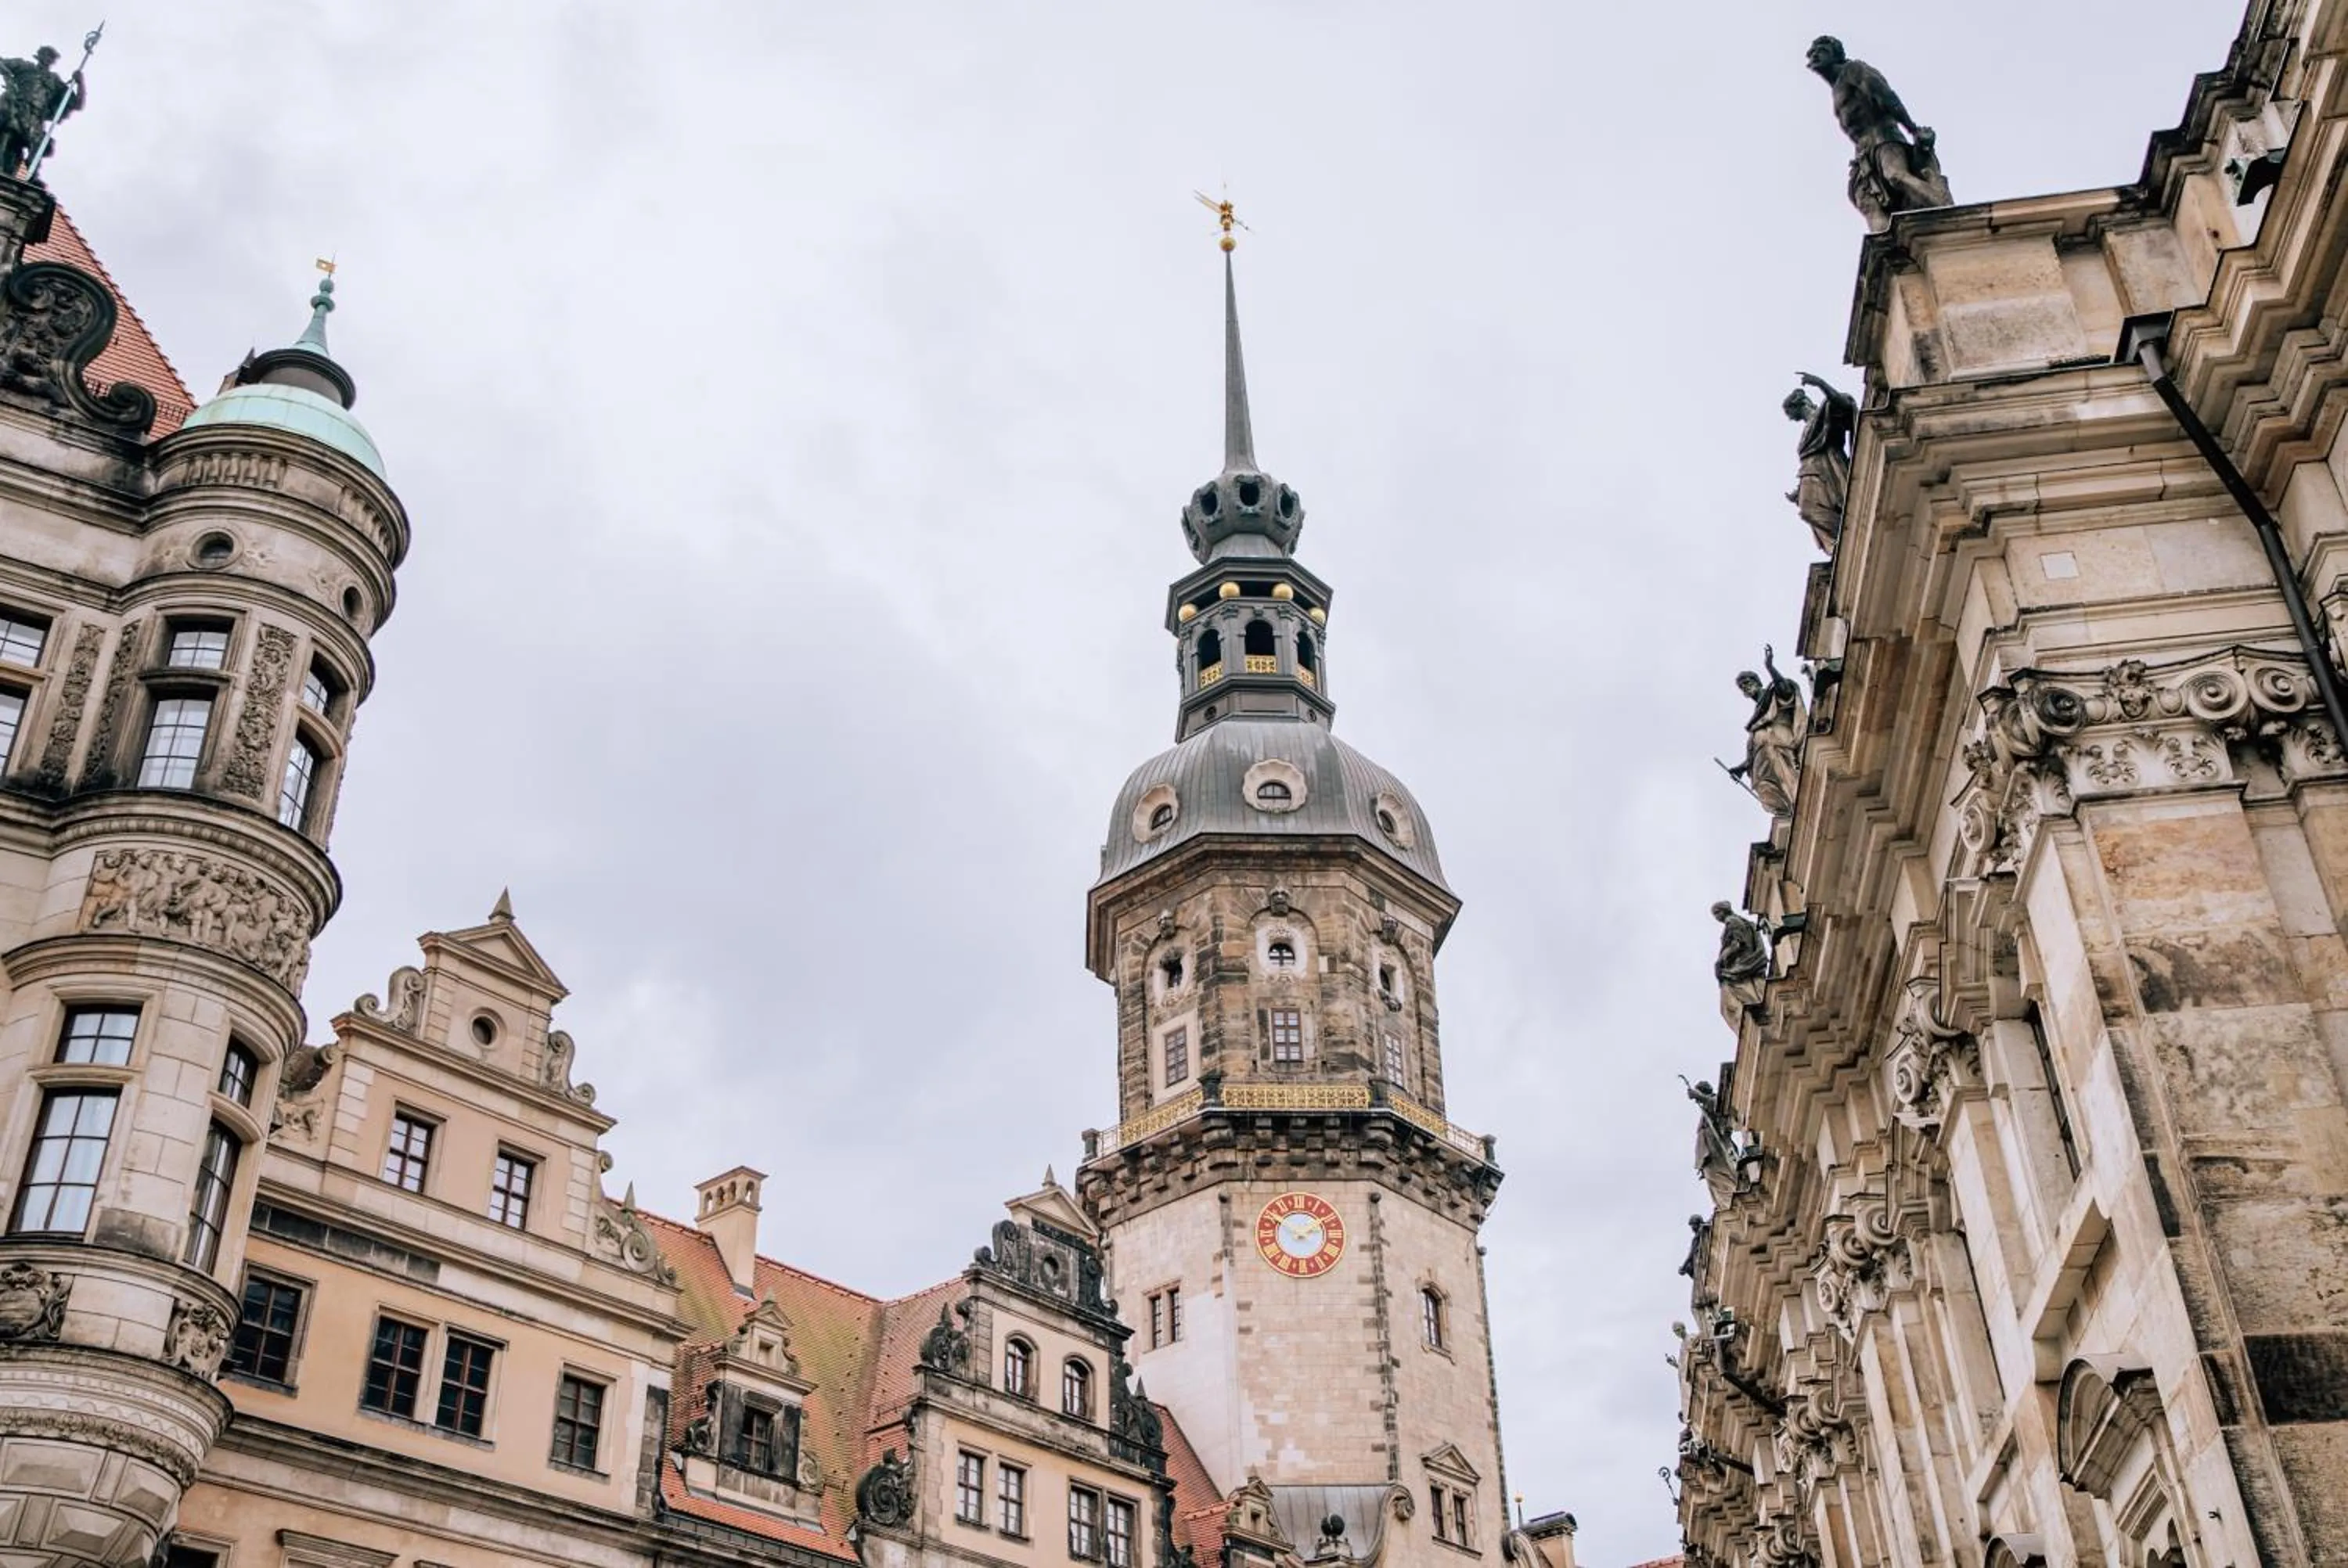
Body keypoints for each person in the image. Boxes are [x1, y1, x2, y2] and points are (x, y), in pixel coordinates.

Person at [1806, 36, 1952, 229]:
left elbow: (1885, 96)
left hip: (1885, 139)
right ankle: (1888, 251)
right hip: (1863, 155)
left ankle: (1943, 205)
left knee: (1895, 175)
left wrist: (1913, 129)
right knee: (1867, 202)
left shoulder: (1853, 70)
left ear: (1836, 55)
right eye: (1812, 52)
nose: (1815, 55)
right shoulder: (1836, 89)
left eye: (1821, 50)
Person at [1728, 646, 1806, 818]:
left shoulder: (1771, 694)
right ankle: (1787, 810)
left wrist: (1770, 667)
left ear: (1758, 682)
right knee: (1764, 787)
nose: (1746, 688)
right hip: (1762, 760)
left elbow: (1785, 690)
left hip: (1779, 746)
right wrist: (1741, 769)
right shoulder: (1755, 719)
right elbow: (1755, 750)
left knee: (1786, 779)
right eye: (1743, 687)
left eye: (1748, 683)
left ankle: (1795, 802)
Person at [1784, 372, 1856, 552]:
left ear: (1797, 405)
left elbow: (1844, 403)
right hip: (1811, 471)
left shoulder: (1823, 413)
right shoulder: (1810, 426)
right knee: (1807, 510)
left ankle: (1848, 530)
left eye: (1789, 412)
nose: (1789, 418)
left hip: (1827, 469)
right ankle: (1841, 537)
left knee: (1808, 510)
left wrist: (1820, 383)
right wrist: (1799, 490)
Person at [0, 47, 81, 180]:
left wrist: (80, 82)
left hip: (37, 118)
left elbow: (75, 103)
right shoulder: (25, 66)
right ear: (39, 55)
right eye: (46, 55)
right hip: (19, 107)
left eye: (51, 57)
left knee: (38, 148)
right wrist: (8, 78)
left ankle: (25, 176)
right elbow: (2, 63)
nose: (48, 58)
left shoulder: (54, 80)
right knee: (9, 132)